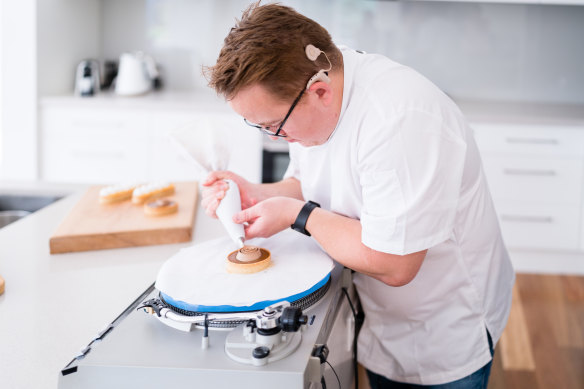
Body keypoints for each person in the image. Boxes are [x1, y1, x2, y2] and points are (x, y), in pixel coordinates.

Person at [201, 2, 515, 388]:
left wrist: (297, 215)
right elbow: (311, 183)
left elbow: (395, 262)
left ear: (319, 92)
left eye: (274, 126)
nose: (272, 137)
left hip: (441, 325)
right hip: (378, 313)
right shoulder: (319, 83)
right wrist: (254, 193)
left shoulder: (399, 122)